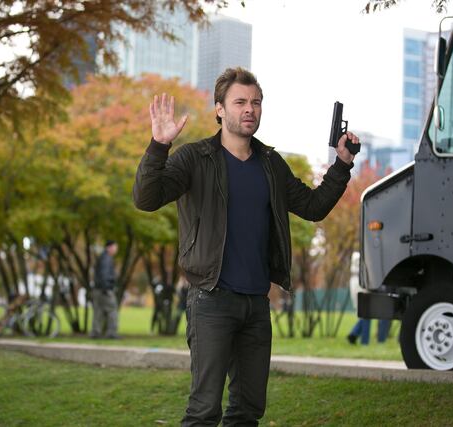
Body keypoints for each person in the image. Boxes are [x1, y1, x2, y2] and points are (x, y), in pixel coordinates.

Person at [133, 67, 359, 426]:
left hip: (256, 304)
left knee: (248, 411)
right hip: (211, 301)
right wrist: (159, 146)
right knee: (204, 410)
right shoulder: (194, 158)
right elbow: (146, 199)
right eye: (240, 102)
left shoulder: (271, 164)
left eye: (256, 102)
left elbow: (313, 207)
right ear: (220, 109)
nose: (249, 109)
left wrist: (342, 165)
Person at [90, 240, 120, 339]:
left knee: (98, 311)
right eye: (115, 247)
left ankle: (95, 332)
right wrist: (106, 288)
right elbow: (104, 274)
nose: (116, 249)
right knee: (112, 310)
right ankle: (111, 332)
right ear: (109, 247)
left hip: (97, 289)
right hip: (105, 289)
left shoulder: (102, 257)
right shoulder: (107, 259)